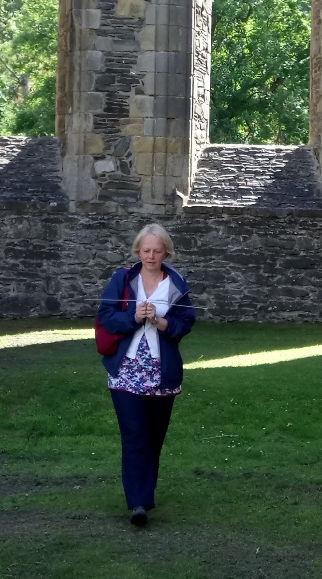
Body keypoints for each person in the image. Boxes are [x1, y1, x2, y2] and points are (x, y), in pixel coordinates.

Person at [96, 223, 196, 526]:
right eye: (146, 250)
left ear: (166, 251)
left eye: (157, 250)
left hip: (161, 374)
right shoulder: (123, 279)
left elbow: (185, 324)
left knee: (153, 437)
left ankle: (145, 492)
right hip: (126, 372)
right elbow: (106, 317)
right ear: (138, 250)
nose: (151, 255)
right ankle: (138, 503)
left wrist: (162, 322)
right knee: (135, 435)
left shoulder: (176, 283)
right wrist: (133, 316)